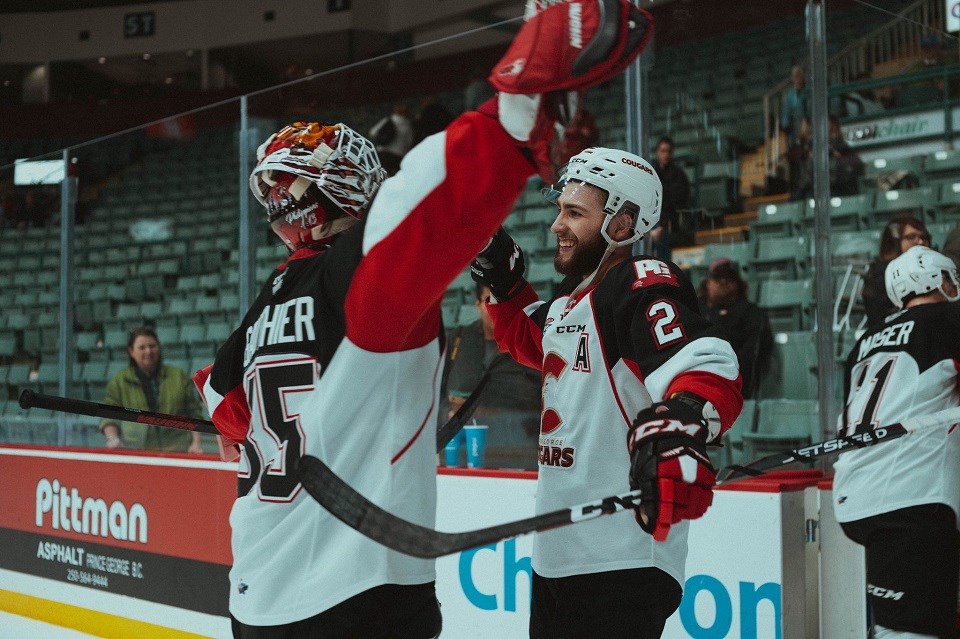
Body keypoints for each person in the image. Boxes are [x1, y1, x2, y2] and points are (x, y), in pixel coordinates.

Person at [191, 3, 653, 636]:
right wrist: (513, 109)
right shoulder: (361, 284)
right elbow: (427, 202)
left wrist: (274, 435)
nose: (279, 208)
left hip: (258, 586)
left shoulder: (267, 302)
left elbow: (224, 400)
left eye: (285, 196)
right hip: (357, 590)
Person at [471, 145, 742, 638]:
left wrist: (683, 417)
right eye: (560, 210)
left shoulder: (638, 284)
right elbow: (533, 340)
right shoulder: (575, 300)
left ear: (622, 224)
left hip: (620, 558)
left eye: (575, 212)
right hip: (559, 554)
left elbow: (706, 365)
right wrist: (507, 285)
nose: (558, 224)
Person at [834, 245, 960, 639]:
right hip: (910, 498)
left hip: (860, 492)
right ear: (935, 278)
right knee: (911, 631)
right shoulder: (948, 318)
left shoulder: (865, 340)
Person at [440, 283, 542, 468]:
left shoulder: (527, 340)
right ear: (477, 304)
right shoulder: (458, 339)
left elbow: (541, 393)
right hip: (464, 450)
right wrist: (448, 413)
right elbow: (438, 390)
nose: (494, 308)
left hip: (518, 452)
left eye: (500, 301)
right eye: (489, 301)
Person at [100, 327, 205, 452]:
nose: (148, 351)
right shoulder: (119, 381)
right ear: (131, 351)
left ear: (159, 348)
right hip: (136, 452)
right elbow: (109, 415)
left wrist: (196, 443)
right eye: (142, 347)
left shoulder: (178, 376)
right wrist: (113, 439)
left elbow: (194, 413)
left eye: (152, 346)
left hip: (177, 450)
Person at [698, 259, 772, 399]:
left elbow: (752, 356)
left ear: (739, 283)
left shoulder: (752, 313)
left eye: (729, 277)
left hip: (733, 387)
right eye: (717, 277)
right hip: (692, 381)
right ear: (707, 282)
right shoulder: (694, 310)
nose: (723, 281)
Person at [861, 216, 931, 328]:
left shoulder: (934, 270)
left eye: (924, 237)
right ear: (894, 242)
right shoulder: (880, 274)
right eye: (911, 237)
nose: (921, 241)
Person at [650, 136, 692, 259]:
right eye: (663, 151)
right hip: (653, 216)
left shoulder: (678, 174)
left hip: (670, 219)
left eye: (668, 151)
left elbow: (678, 201)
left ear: (672, 153)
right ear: (657, 152)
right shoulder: (651, 171)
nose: (666, 155)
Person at [369, 102, 414, 175]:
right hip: (398, 157)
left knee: (379, 176)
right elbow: (409, 142)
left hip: (383, 154)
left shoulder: (388, 120)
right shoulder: (408, 125)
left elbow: (372, 132)